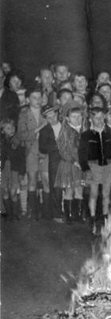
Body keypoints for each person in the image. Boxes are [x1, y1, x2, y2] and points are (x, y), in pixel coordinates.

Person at [79, 107, 111, 235]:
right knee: (94, 194)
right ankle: (92, 218)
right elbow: (82, 154)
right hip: (93, 166)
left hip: (108, 165)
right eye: (96, 118)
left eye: (102, 117)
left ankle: (105, 217)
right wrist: (86, 168)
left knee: (106, 194)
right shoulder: (86, 135)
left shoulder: (109, 134)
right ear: (91, 119)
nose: (99, 120)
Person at [16, 86, 46, 219]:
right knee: (32, 180)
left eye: (40, 97)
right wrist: (36, 131)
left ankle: (45, 209)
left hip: (45, 151)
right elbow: (21, 135)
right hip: (31, 151)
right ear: (28, 99)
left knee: (45, 180)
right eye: (34, 98)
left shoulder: (46, 112)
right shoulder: (23, 114)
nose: (38, 100)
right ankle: (32, 210)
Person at [55, 103, 84, 223]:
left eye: (79, 116)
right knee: (69, 189)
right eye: (74, 116)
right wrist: (73, 161)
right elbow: (62, 150)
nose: (77, 119)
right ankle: (67, 215)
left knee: (79, 189)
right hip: (69, 164)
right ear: (67, 118)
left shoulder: (84, 130)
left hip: (81, 164)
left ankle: (77, 214)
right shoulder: (65, 131)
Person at [39, 104, 63, 223]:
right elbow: (42, 148)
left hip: (68, 158)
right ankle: (56, 213)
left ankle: (71, 211)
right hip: (54, 159)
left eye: (53, 115)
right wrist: (55, 147)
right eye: (48, 117)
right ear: (45, 118)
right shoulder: (44, 130)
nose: (52, 119)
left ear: (57, 114)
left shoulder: (65, 126)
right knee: (55, 185)